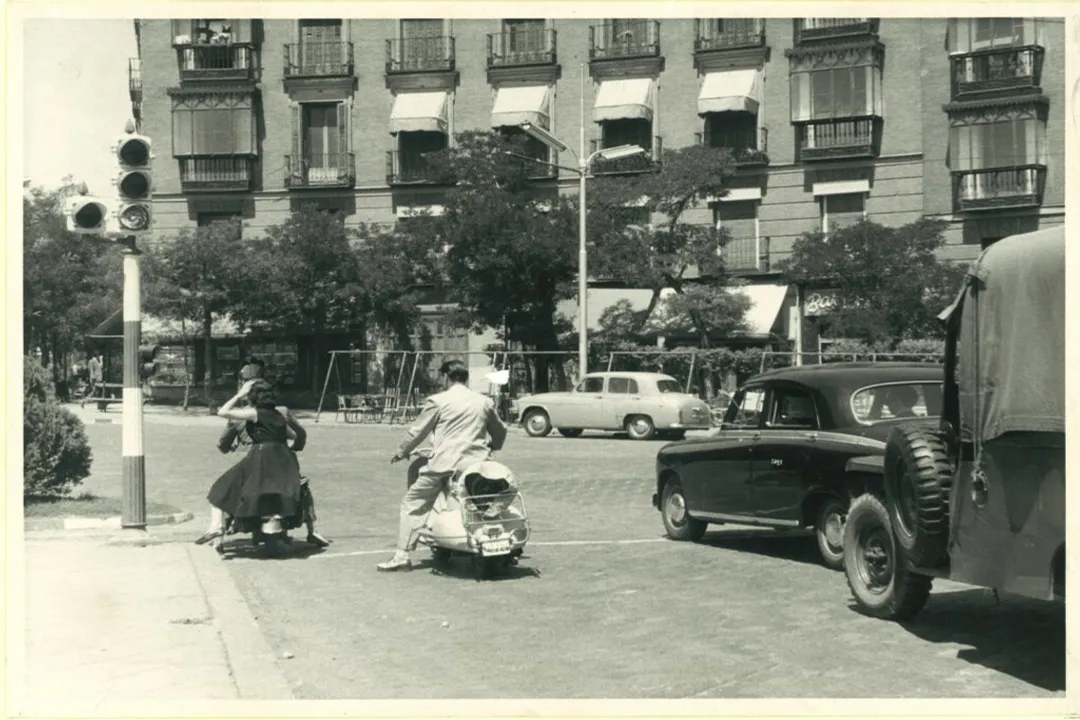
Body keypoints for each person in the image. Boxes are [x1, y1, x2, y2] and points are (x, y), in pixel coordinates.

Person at [377, 360, 508, 572]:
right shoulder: (484, 401)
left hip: (444, 465)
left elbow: (418, 431)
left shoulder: (438, 401)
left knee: (413, 502)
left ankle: (402, 555)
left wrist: (402, 451)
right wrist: (493, 446)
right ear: (465, 378)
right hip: (477, 465)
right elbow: (500, 431)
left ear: (446, 377)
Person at [195, 378, 329, 548]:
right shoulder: (279, 414)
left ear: (252, 397)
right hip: (283, 459)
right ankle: (313, 529)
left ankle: (217, 526)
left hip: (261, 457)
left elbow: (222, 411)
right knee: (302, 488)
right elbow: (293, 436)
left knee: (221, 488)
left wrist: (239, 394)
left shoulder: (254, 413)